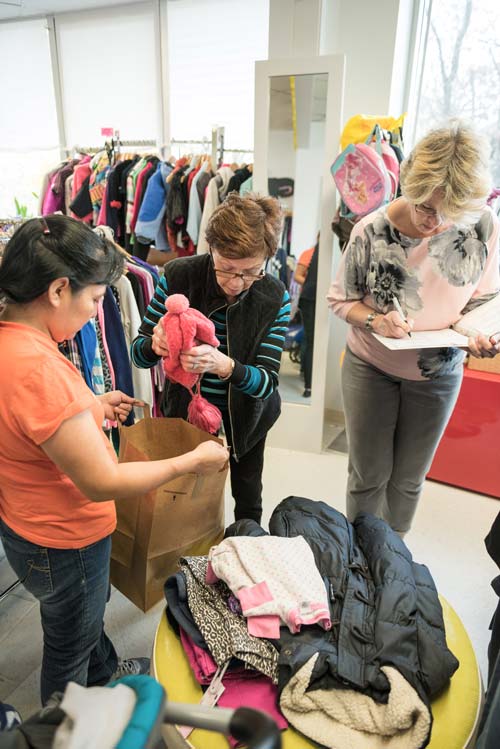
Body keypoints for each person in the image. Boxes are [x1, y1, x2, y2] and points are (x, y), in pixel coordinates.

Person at [0, 215, 228, 705]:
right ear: (60, 289)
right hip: (65, 537)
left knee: (78, 613)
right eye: (98, 299)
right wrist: (189, 462)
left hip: (26, 524)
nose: (96, 312)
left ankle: (103, 673)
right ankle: (62, 729)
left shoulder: (12, 342)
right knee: (70, 641)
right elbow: (102, 481)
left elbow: (27, 425)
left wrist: (90, 406)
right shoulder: (40, 369)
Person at [328, 121, 500, 535]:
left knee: (407, 482)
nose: (434, 222)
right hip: (371, 367)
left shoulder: (482, 226)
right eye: (425, 206)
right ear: (409, 183)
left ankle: (392, 560)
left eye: (448, 213)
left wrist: (477, 332)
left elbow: (484, 298)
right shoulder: (370, 230)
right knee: (368, 477)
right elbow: (340, 301)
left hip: (439, 373)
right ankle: (359, 558)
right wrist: (374, 319)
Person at [131, 192, 290, 524]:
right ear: (211, 249)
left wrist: (225, 366)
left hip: (246, 419)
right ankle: (188, 571)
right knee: (184, 500)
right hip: (185, 416)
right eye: (226, 269)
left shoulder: (274, 297)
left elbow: (267, 385)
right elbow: (138, 354)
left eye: (250, 272)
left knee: (248, 500)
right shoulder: (178, 276)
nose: (236, 283)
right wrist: (156, 345)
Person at [294, 237, 319, 398]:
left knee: (311, 340)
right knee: (309, 339)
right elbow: (297, 276)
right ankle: (309, 384)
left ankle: (307, 370)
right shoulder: (309, 254)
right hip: (309, 298)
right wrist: (312, 283)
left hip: (321, 300)